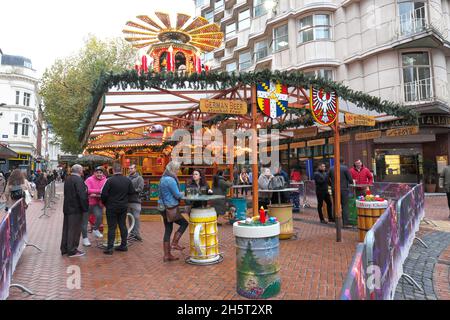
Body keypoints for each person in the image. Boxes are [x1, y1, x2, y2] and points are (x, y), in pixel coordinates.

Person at [101, 162, 135, 255]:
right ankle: (124, 245)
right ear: (121, 170)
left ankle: (110, 248)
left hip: (111, 206)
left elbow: (104, 194)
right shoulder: (127, 180)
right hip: (123, 206)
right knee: (122, 225)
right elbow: (132, 193)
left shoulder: (109, 180)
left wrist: (105, 203)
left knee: (112, 227)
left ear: (113, 170)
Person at [158, 161, 188, 262]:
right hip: (170, 207)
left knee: (168, 229)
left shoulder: (163, 178)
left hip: (162, 207)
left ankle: (167, 255)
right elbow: (177, 195)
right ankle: (174, 244)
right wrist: (185, 193)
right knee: (184, 223)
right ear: (173, 169)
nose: (178, 171)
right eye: (177, 169)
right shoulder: (170, 180)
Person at [60, 164, 89, 257]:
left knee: (67, 229)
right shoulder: (79, 180)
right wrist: (85, 208)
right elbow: (82, 196)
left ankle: (64, 248)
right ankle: (72, 250)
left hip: (67, 207)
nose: (83, 171)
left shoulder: (68, 179)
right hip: (76, 209)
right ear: (80, 171)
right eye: (82, 170)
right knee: (75, 230)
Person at [82, 166, 107, 247]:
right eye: (97, 172)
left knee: (99, 217)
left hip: (97, 203)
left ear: (103, 173)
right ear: (94, 173)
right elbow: (86, 189)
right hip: (88, 203)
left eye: (101, 172)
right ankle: (85, 238)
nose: (99, 174)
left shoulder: (105, 180)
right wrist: (99, 191)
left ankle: (95, 229)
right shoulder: (89, 179)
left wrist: (97, 193)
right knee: (85, 222)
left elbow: (105, 191)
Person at [329, 157, 353, 228]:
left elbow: (327, 179)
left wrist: (332, 185)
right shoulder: (345, 168)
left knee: (336, 205)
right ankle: (345, 223)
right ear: (344, 161)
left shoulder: (331, 168)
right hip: (344, 190)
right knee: (345, 206)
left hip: (334, 189)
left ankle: (336, 223)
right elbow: (350, 179)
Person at [128, 164, 144, 241]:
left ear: (135, 169)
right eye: (129, 168)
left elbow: (140, 189)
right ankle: (131, 233)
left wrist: (132, 191)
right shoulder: (127, 178)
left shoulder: (139, 178)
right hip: (127, 201)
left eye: (131, 168)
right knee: (130, 217)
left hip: (136, 201)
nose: (130, 170)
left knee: (136, 217)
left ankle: (137, 234)